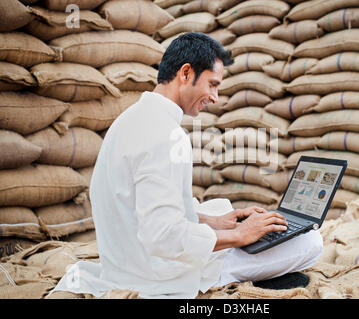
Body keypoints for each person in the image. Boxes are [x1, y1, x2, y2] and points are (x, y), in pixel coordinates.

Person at [49, 32, 323, 299]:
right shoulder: (165, 136)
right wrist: (239, 235)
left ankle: (232, 236)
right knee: (311, 243)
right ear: (185, 73)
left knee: (221, 208)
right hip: (155, 275)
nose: (215, 97)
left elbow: (146, 204)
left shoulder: (133, 118)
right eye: (213, 84)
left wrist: (218, 223)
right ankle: (232, 275)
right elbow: (164, 235)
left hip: (125, 259)